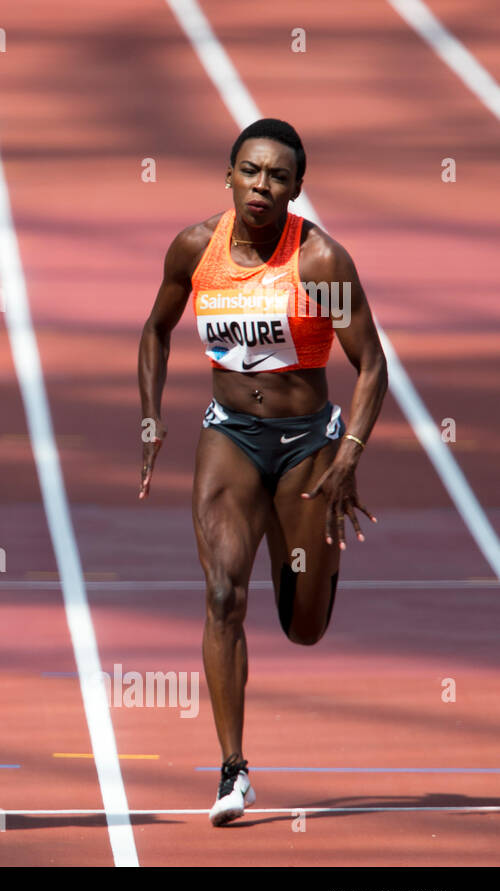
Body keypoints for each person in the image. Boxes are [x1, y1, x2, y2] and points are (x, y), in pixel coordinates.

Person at [137, 118, 387, 824]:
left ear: (297, 188)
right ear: (229, 174)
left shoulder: (320, 263)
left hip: (308, 443)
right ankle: (233, 770)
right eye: (251, 171)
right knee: (222, 594)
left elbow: (371, 364)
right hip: (231, 439)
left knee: (303, 628)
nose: (262, 186)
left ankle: (305, 559)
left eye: (278, 176)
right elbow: (155, 330)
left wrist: (350, 453)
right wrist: (151, 417)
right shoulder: (195, 248)